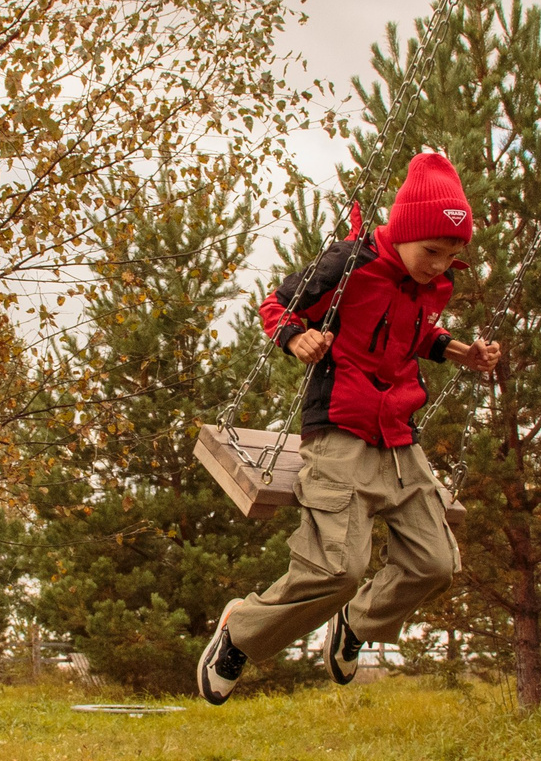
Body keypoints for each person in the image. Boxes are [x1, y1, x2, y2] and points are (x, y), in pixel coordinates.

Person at [197, 150, 502, 702]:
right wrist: (296, 338)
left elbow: (412, 332)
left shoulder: (431, 284)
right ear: (405, 232)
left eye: (450, 257)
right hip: (339, 428)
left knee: (435, 563)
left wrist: (456, 350)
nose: (438, 266)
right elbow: (278, 304)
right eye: (431, 251)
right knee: (339, 568)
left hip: (399, 440)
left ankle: (358, 625)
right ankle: (240, 633)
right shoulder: (349, 264)